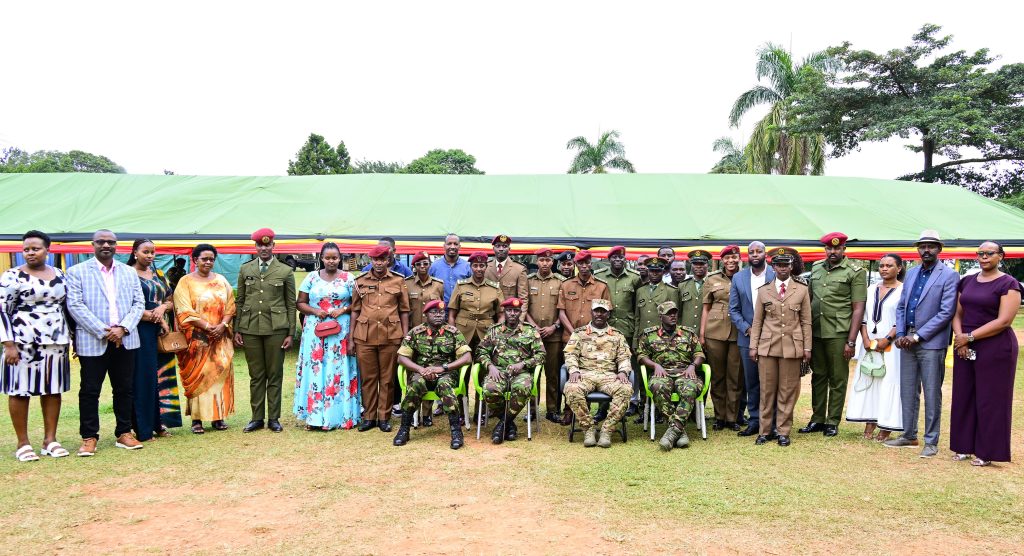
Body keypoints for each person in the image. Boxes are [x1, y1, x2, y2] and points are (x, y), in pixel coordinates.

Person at [65, 229, 146, 456]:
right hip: (93, 340)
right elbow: (75, 306)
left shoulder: (129, 272)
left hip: (126, 339)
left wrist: (123, 328)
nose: (106, 245)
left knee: (124, 388)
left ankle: (124, 432)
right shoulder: (77, 271)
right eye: (101, 242)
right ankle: (89, 437)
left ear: (116, 245)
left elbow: (138, 304)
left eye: (111, 242)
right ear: (93, 244)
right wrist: (106, 331)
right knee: (90, 390)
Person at [884, 230, 959, 457]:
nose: (926, 250)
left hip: (931, 343)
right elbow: (901, 306)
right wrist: (901, 334)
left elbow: (946, 312)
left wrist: (917, 336)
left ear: (939, 249)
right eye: (922, 246)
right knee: (908, 390)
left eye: (931, 246)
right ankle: (909, 435)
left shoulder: (948, 275)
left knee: (931, 392)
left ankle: (931, 441)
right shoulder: (913, 272)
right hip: (906, 341)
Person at [1, 231, 72, 461]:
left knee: (53, 390)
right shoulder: (12, 276)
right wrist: (8, 344)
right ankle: (23, 443)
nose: (30, 253)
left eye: (36, 248)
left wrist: (73, 337)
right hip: (22, 342)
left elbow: (67, 308)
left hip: (56, 340)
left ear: (48, 250)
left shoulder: (61, 275)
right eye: (26, 249)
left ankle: (49, 440)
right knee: (20, 390)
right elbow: (2, 310)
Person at [950, 242, 1021, 466]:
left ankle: (987, 451)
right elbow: (957, 313)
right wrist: (960, 338)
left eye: (989, 253)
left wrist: (969, 337)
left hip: (996, 346)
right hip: (965, 345)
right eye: (980, 253)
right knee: (964, 395)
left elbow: (1004, 320)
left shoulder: (1008, 283)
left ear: (1000, 256)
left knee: (991, 399)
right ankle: (963, 447)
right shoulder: (967, 281)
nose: (983, 257)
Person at [800, 232, 867, 438]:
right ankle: (817, 418)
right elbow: (809, 299)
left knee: (837, 377)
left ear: (844, 249)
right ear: (825, 249)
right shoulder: (817, 267)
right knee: (818, 376)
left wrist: (851, 340)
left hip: (839, 332)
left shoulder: (855, 271)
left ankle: (832, 421)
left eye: (837, 248)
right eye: (829, 248)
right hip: (816, 329)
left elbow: (858, 308)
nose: (833, 252)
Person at [234, 228, 296, 434]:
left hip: (276, 328)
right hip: (251, 327)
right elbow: (240, 300)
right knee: (256, 375)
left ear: (273, 246)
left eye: (267, 245)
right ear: (255, 247)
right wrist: (238, 329)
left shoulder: (285, 271)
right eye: (260, 245)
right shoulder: (245, 269)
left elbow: (290, 304)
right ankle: (256, 418)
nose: (264, 248)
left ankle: (274, 418)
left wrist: (290, 333)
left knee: (275, 374)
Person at [748, 248, 811, 447]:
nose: (783, 268)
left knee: (787, 390)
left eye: (786, 265)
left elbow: (806, 321)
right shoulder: (764, 290)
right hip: (767, 346)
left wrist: (807, 347)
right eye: (779, 265)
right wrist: (753, 346)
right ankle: (765, 431)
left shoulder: (801, 289)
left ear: (791, 267)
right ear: (773, 267)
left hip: (792, 347)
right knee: (767, 390)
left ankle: (783, 431)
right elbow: (757, 321)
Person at [294, 243, 360, 430]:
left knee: (339, 370)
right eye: (327, 257)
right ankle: (314, 417)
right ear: (321, 258)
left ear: (340, 259)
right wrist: (316, 311)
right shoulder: (311, 277)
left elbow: (357, 304)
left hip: (341, 330)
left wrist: (343, 309)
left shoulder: (349, 278)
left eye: (335, 257)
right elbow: (300, 303)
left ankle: (342, 416)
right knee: (316, 368)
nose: (331, 261)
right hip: (316, 331)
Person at [173, 244, 237, 435]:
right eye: (204, 259)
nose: (208, 262)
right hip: (197, 340)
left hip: (220, 339)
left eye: (211, 259)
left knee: (219, 375)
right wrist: (209, 327)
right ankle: (197, 420)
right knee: (199, 377)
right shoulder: (185, 282)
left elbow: (231, 307)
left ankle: (218, 417)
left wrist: (222, 326)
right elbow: (184, 311)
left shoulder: (221, 280)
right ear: (195, 260)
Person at [393, 300, 473, 449]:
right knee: (416, 384)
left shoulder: (453, 332)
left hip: (446, 373)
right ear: (426, 315)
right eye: (434, 312)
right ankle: (404, 429)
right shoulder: (416, 333)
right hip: (421, 372)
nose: (438, 315)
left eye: (441, 312)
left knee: (445, 385)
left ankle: (456, 431)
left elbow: (467, 357)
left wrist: (443, 368)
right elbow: (401, 357)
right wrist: (420, 370)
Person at [352, 244, 410, 432]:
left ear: (388, 260)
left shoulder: (398, 280)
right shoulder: (360, 280)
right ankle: (369, 417)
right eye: (375, 260)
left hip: (391, 335)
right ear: (371, 260)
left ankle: (384, 417)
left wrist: (405, 336)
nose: (378, 263)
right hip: (364, 336)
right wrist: (351, 337)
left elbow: (404, 310)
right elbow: (355, 310)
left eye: (382, 259)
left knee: (387, 379)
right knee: (368, 378)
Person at [846, 254, 905, 441]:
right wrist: (864, 338)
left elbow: (902, 319)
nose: (884, 269)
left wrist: (887, 338)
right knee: (868, 378)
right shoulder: (870, 289)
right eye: (881, 266)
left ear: (899, 268)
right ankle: (869, 422)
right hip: (869, 344)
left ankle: (886, 426)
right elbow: (863, 316)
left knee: (888, 381)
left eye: (889, 265)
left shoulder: (904, 290)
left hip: (892, 346)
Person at [127, 238, 181, 442]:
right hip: (138, 330)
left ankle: (159, 423)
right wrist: (153, 317)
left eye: (152, 252)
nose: (150, 256)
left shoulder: (158, 274)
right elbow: (124, 304)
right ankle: (142, 428)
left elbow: (170, 299)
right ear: (135, 253)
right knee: (141, 379)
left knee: (157, 378)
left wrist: (161, 310)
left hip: (159, 333)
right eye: (145, 252)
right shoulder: (127, 274)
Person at [563, 299, 633, 448]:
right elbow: (570, 355)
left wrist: (623, 372)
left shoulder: (617, 335)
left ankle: (607, 430)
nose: (599, 314)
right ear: (591, 312)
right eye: (597, 311)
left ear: (608, 314)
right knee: (572, 389)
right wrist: (574, 370)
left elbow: (624, 357)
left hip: (609, 375)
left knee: (626, 389)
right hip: (584, 374)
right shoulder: (579, 334)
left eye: (603, 311)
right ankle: (588, 429)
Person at [636, 301, 705, 451]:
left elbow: (699, 354)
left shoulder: (688, 333)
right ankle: (680, 431)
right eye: (669, 313)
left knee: (690, 388)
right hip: (662, 372)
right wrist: (655, 365)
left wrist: (693, 366)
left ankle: (672, 432)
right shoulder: (649, 334)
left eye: (674, 312)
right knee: (658, 386)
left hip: (685, 371)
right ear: (661, 316)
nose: (673, 315)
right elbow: (641, 355)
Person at [478, 297, 546, 444]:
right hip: (498, 371)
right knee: (490, 390)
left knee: (522, 388)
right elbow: (481, 352)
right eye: (509, 310)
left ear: (520, 312)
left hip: (521, 373)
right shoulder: (494, 331)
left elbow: (541, 355)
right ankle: (510, 424)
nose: (513, 314)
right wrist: (490, 367)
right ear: (504, 312)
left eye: (516, 310)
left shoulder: (530, 331)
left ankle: (502, 426)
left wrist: (523, 364)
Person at [556, 250, 611, 424]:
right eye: (581, 263)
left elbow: (607, 312)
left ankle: (585, 411)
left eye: (587, 263)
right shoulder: (566, 285)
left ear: (591, 264)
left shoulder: (601, 286)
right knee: (572, 373)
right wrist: (574, 332)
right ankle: (568, 411)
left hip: (595, 340)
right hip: (570, 337)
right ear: (576, 265)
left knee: (589, 373)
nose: (584, 266)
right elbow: (561, 311)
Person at [729, 241, 775, 438]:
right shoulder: (738, 278)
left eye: (759, 251)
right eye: (751, 252)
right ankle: (754, 420)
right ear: (747, 256)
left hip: (773, 337)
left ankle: (771, 422)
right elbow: (734, 309)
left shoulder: (776, 273)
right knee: (752, 381)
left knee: (771, 381)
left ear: (766, 254)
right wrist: (747, 329)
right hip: (747, 338)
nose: (755, 254)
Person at [594, 246, 642, 417]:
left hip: (627, 328)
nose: (618, 260)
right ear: (609, 259)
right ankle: (603, 406)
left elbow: (638, 306)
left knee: (630, 366)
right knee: (605, 366)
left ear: (625, 259)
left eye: (621, 257)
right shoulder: (599, 276)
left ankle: (633, 401)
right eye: (614, 257)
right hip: (605, 329)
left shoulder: (634, 278)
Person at [701, 245, 743, 432]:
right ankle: (719, 416)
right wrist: (702, 334)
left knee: (735, 376)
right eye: (727, 258)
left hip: (738, 331)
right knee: (717, 376)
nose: (730, 261)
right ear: (722, 260)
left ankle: (732, 418)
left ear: (739, 259)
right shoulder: (712, 279)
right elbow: (706, 308)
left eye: (734, 257)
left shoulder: (746, 277)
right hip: (714, 331)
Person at [525, 248, 567, 423]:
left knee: (553, 375)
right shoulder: (527, 281)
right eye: (542, 260)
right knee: (532, 373)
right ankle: (532, 409)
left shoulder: (561, 282)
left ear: (553, 262)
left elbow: (563, 309)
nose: (545, 263)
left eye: (548, 260)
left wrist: (555, 326)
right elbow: (523, 307)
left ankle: (552, 409)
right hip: (531, 336)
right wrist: (533, 326)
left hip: (554, 335)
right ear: (537, 261)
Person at [405, 251, 445, 425]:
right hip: (413, 334)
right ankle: (412, 412)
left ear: (430, 265)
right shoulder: (406, 284)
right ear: (414, 266)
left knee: (431, 369)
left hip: (432, 335)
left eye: (425, 263)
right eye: (419, 264)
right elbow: (404, 310)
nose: (422, 266)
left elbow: (440, 308)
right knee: (413, 372)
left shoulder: (438, 285)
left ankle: (427, 413)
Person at [484, 234, 529, 312]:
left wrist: (520, 321)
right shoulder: (485, 267)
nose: (501, 249)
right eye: (498, 246)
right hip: (489, 316)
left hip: (510, 317)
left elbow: (523, 299)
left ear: (509, 249)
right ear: (493, 248)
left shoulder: (519, 269)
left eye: (504, 246)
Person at [429, 234, 472, 303]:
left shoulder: (467, 267)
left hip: (461, 310)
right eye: (449, 244)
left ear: (459, 247)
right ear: (444, 246)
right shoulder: (434, 266)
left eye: (455, 244)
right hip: (440, 311)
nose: (452, 247)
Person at [678, 249, 710, 332]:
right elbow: (678, 312)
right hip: (686, 333)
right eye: (695, 263)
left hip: (708, 332)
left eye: (702, 263)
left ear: (707, 264)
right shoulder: (682, 285)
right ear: (691, 265)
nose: (698, 266)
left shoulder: (714, 283)